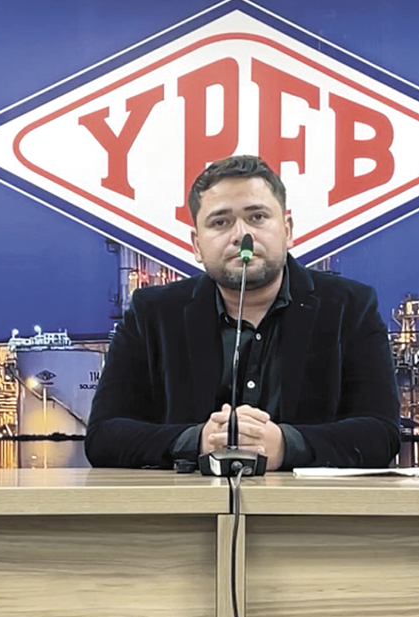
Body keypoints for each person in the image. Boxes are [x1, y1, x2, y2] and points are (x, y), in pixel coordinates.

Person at [85, 155, 401, 471]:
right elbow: (103, 436)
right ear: (196, 245)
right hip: (188, 513)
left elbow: (381, 434)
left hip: (311, 514)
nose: (241, 235)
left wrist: (286, 445)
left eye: (258, 217)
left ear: (287, 230)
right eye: (220, 222)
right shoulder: (151, 314)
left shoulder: (351, 306)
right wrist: (199, 441)